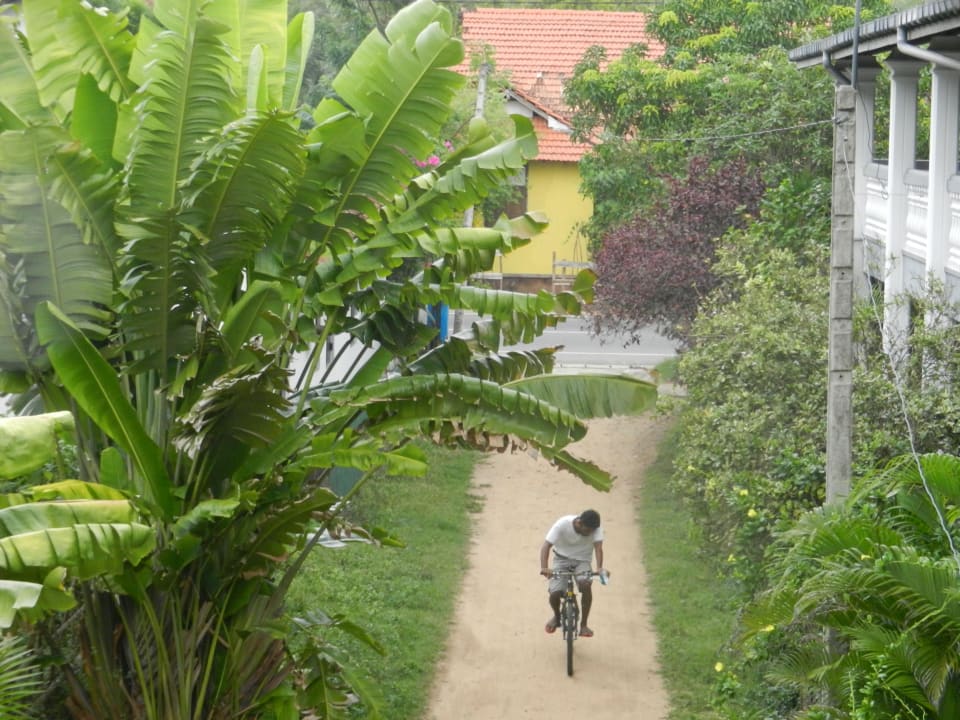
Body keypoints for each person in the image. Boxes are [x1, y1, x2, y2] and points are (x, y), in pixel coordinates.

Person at [539, 509, 607, 638]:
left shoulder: (595, 528)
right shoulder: (562, 524)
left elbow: (598, 549)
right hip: (561, 559)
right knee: (555, 593)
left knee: (585, 585)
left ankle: (584, 625)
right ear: (579, 523)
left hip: (583, 561)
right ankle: (557, 617)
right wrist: (544, 567)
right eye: (588, 531)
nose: (590, 533)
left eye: (593, 531)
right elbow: (546, 546)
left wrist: (599, 568)